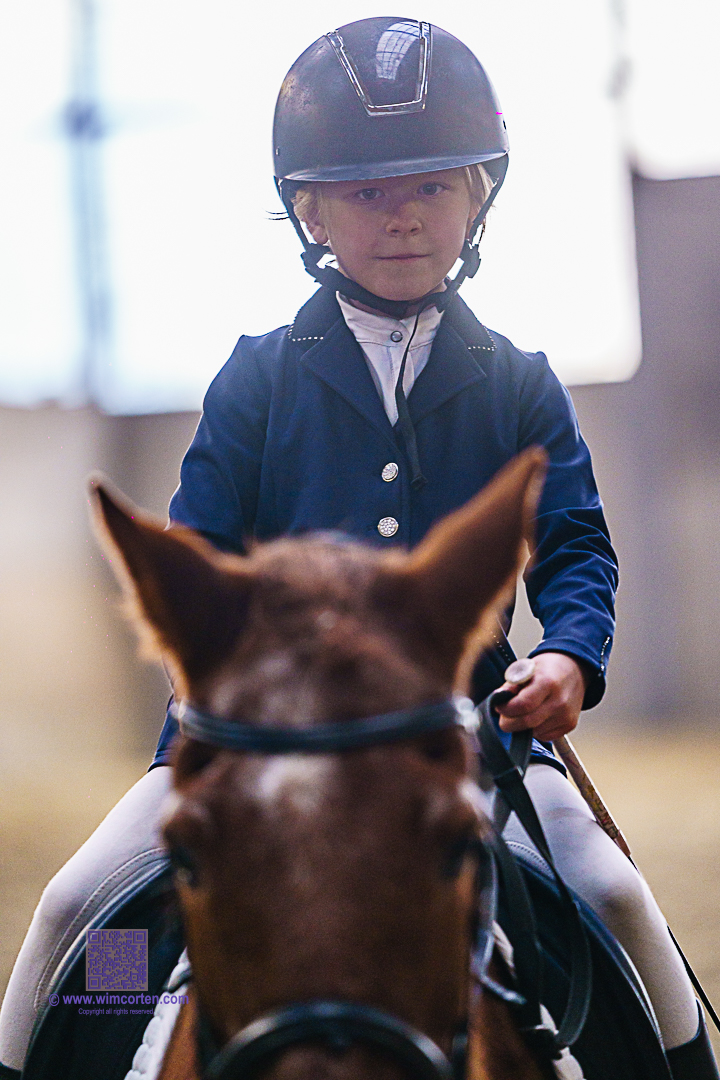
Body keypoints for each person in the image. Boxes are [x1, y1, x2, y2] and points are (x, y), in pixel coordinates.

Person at [0, 17, 715, 1080]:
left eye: (431, 187)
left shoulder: (519, 381)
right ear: (309, 209)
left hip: (467, 736)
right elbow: (200, 541)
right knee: (72, 917)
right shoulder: (257, 378)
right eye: (370, 193)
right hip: (251, 741)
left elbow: (574, 549)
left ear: (480, 195)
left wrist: (569, 655)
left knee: (617, 899)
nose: (403, 218)